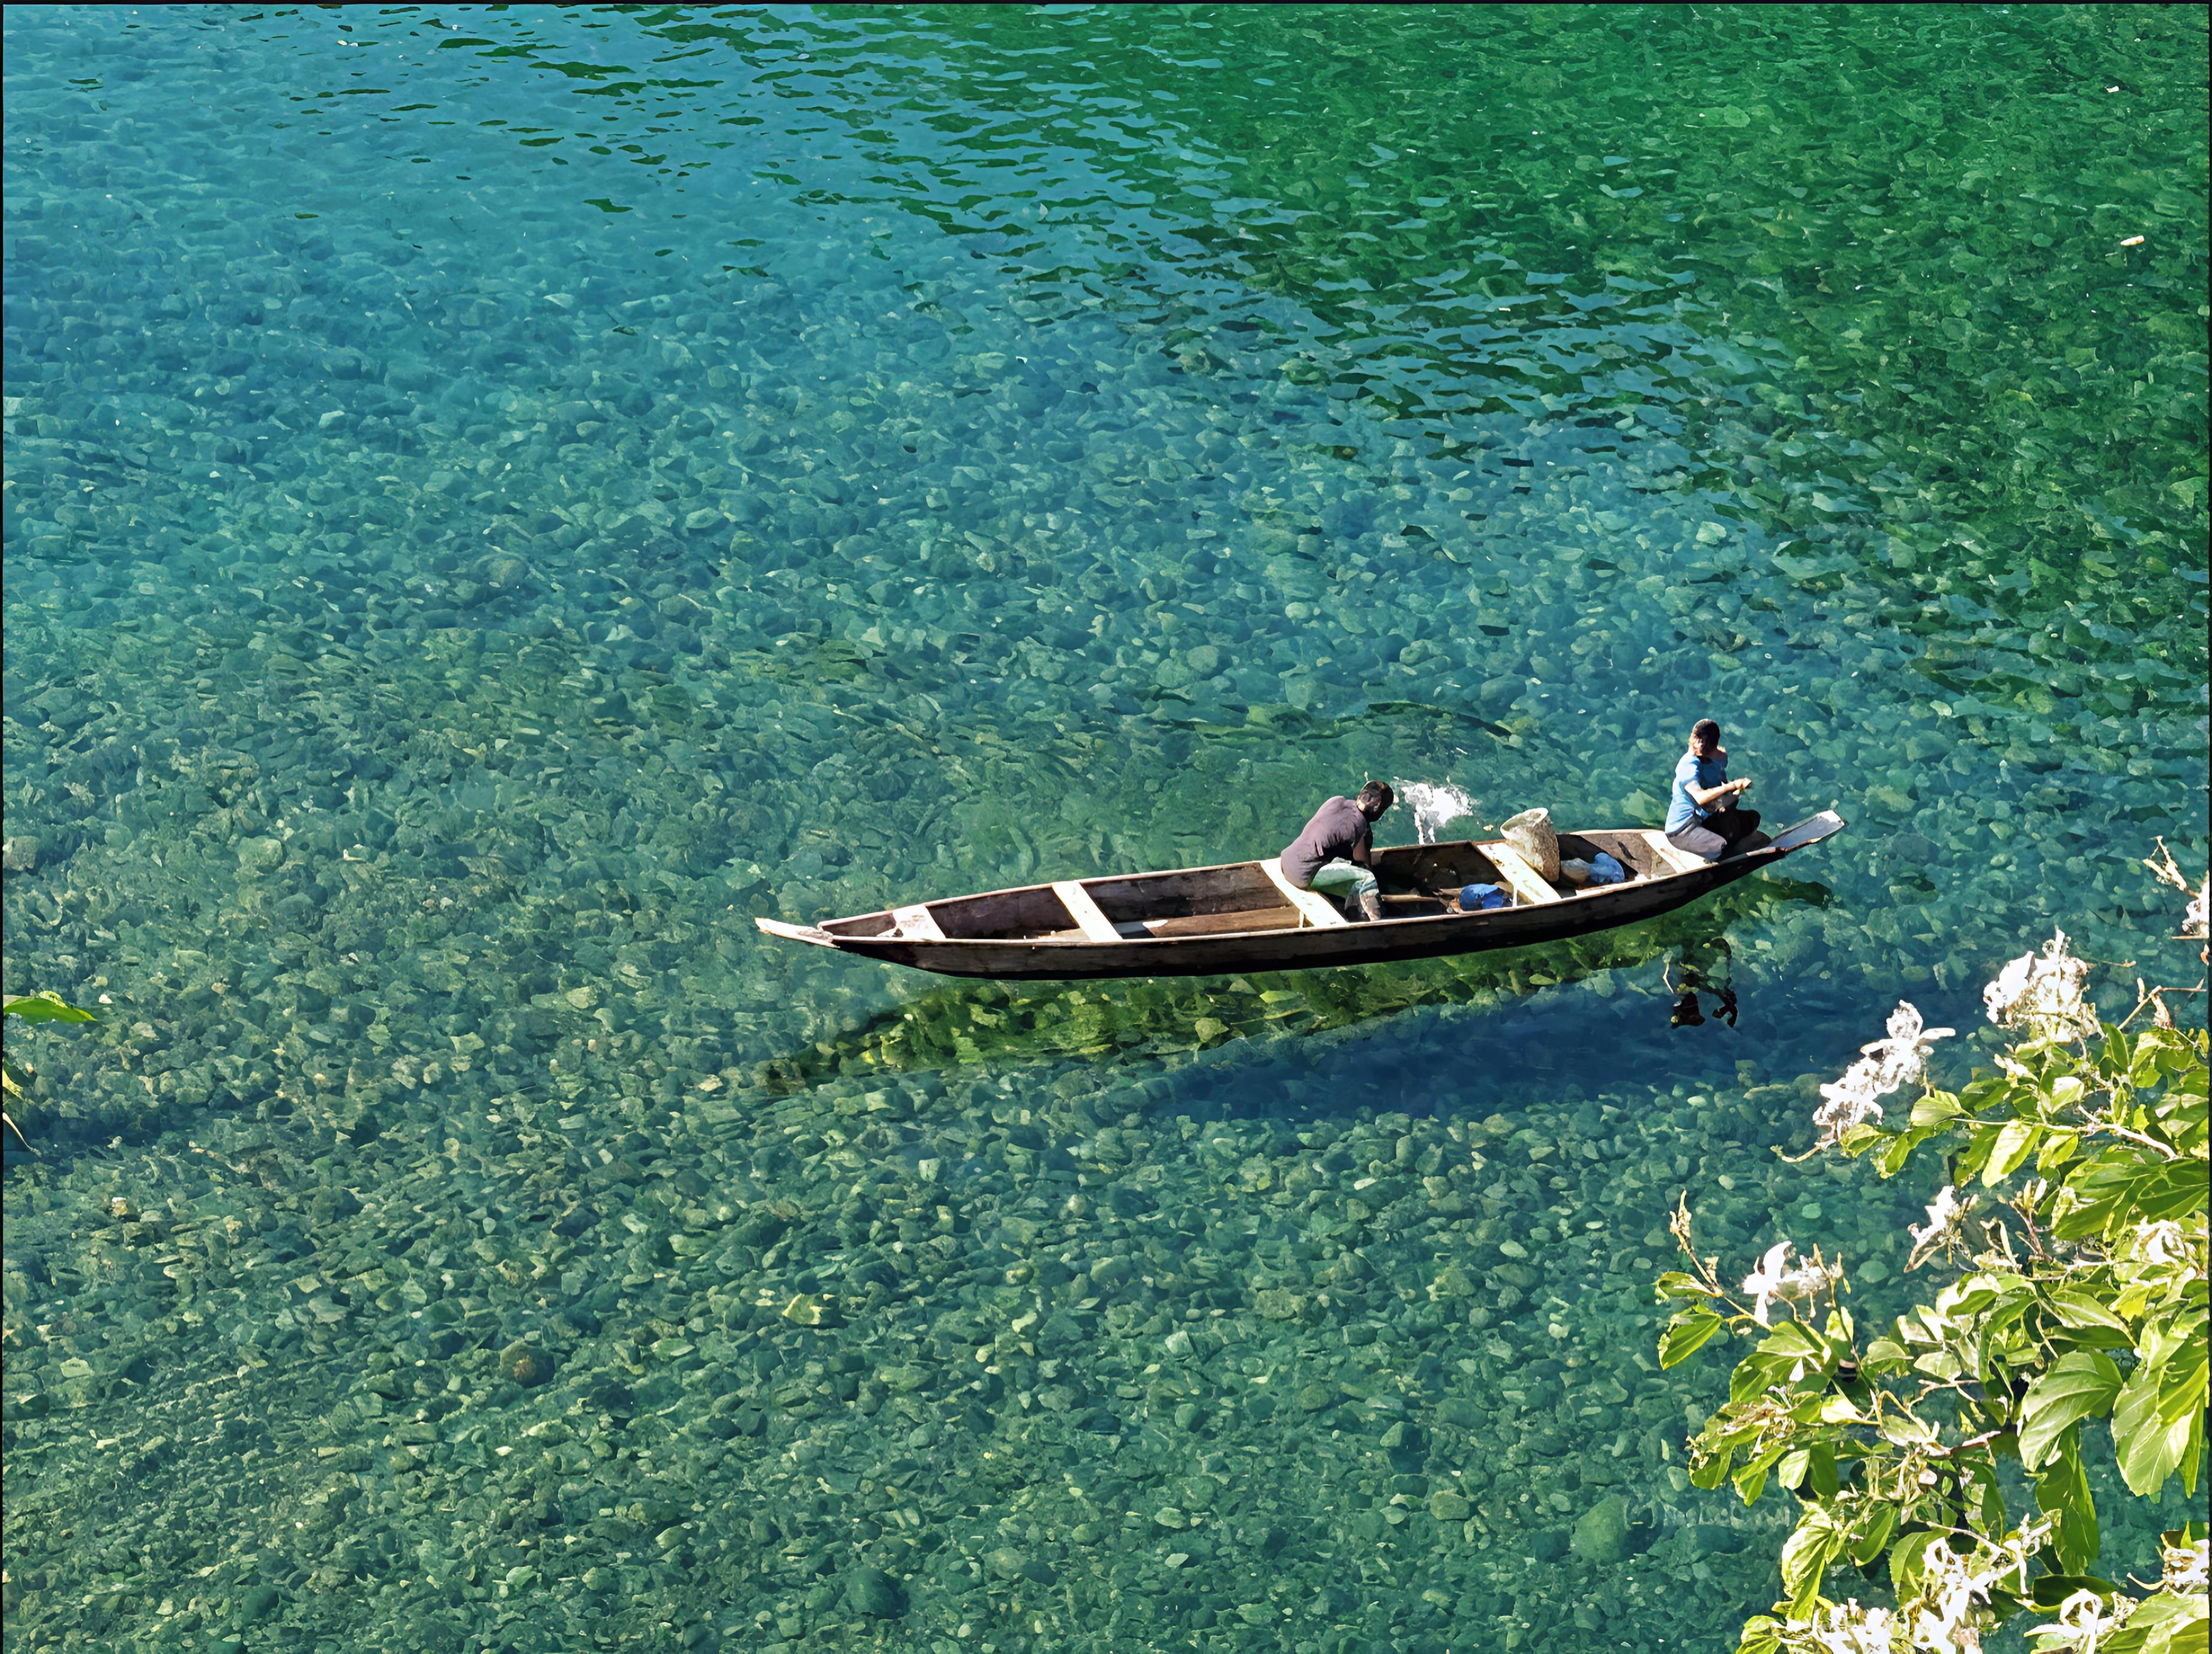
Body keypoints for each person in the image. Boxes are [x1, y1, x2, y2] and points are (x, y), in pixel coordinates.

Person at [1281, 781, 1395, 921]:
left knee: (1341, 863)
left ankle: (1343, 901)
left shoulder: (1336, 801)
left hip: (1287, 860)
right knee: (1367, 878)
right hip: (1302, 875)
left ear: (1360, 795)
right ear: (1379, 811)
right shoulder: (1357, 826)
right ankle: (1373, 921)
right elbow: (1359, 861)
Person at [1665, 719, 1767, 861]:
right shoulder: (1688, 767)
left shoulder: (1715, 761)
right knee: (1722, 847)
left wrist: (1738, 789)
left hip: (1705, 820)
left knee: (1752, 819)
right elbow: (1700, 798)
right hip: (1682, 830)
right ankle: (1720, 861)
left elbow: (1724, 796)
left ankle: (1726, 844)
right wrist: (1732, 785)